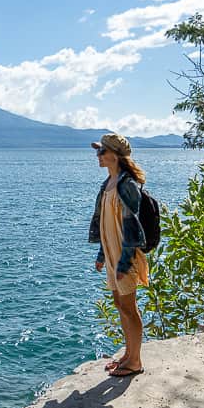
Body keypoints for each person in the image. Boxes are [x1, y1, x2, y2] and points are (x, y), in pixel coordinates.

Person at [88, 132, 149, 377]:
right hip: (112, 253)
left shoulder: (127, 185)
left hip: (125, 255)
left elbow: (132, 229)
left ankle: (135, 361)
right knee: (119, 304)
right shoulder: (107, 184)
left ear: (115, 155)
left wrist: (124, 262)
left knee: (129, 306)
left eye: (101, 151)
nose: (98, 156)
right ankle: (128, 354)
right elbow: (106, 224)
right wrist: (102, 254)